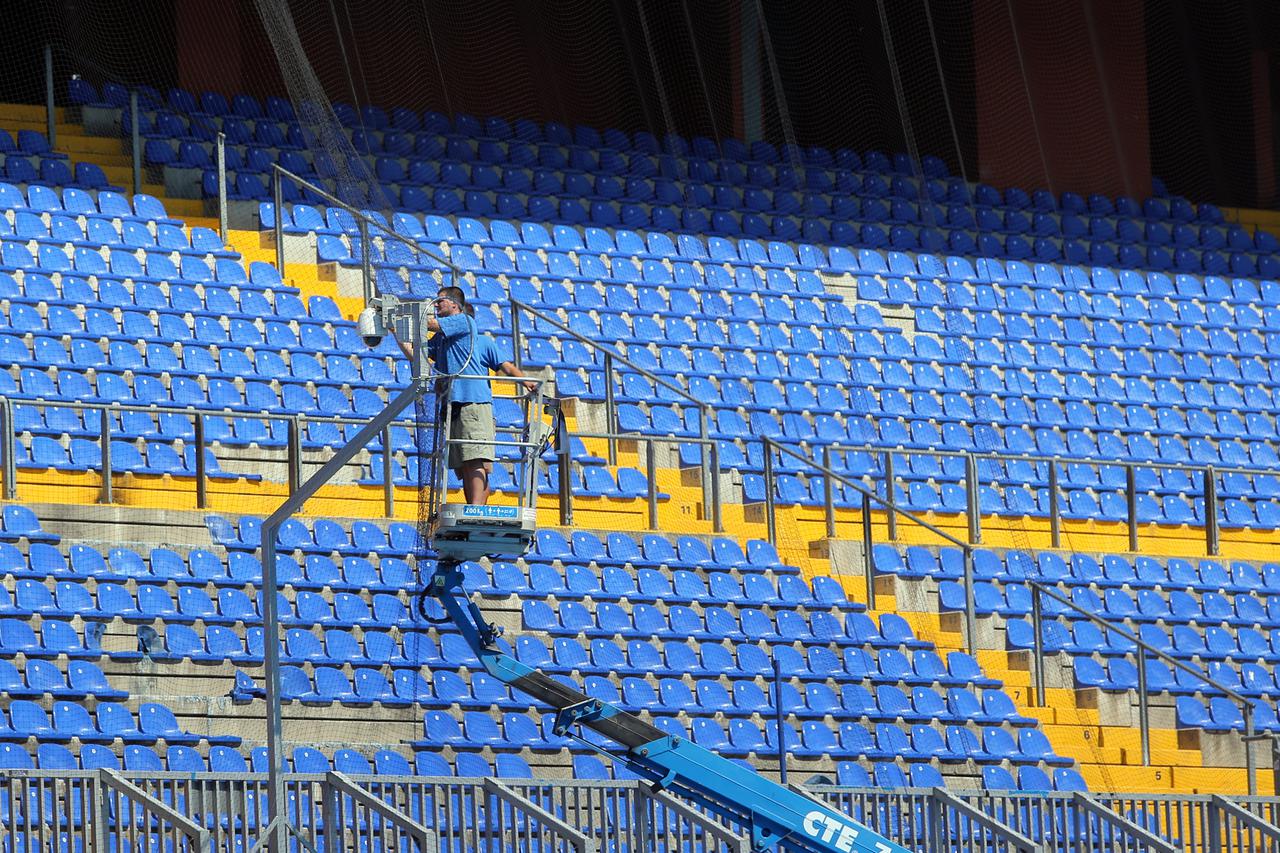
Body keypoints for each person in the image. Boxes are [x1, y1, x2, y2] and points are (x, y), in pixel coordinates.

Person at [400, 286, 536, 505]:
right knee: (464, 465)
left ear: (455, 304)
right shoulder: (441, 338)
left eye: (440, 301)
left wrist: (404, 313)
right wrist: (397, 331)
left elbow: (505, 365)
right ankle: (474, 510)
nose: (436, 304)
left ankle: (475, 511)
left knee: (474, 460)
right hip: (452, 405)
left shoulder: (464, 322)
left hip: (471, 401)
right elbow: (417, 355)